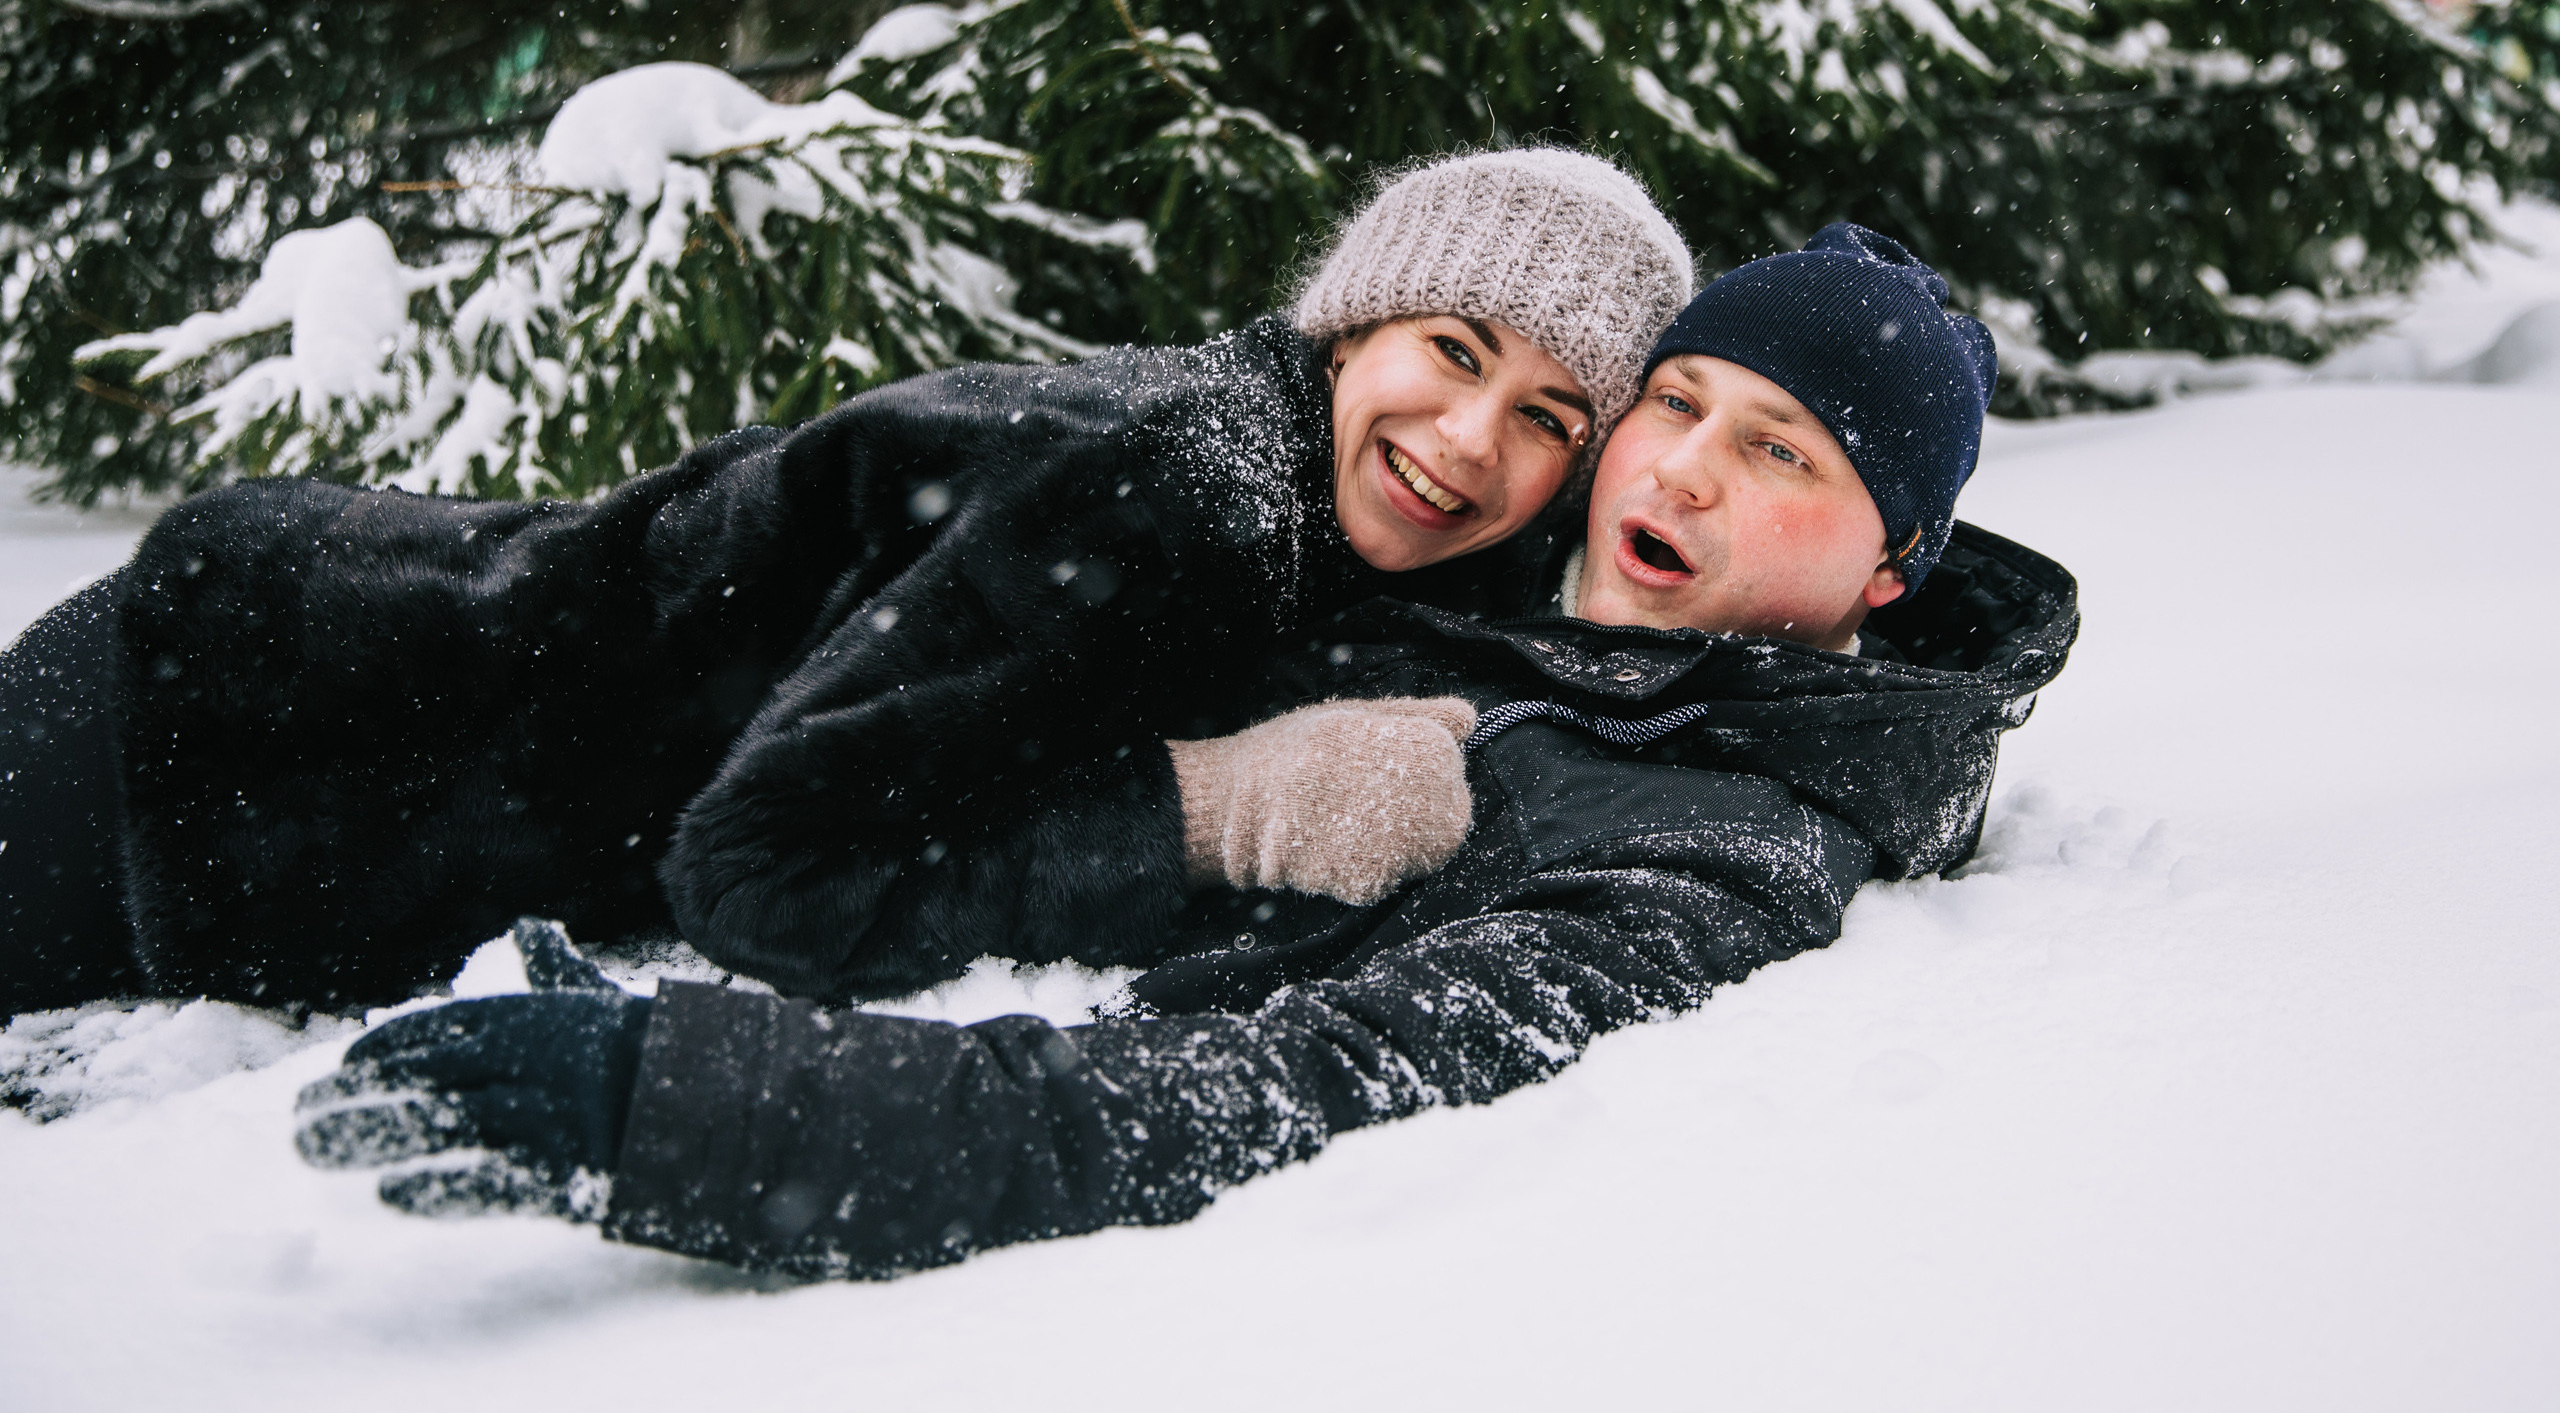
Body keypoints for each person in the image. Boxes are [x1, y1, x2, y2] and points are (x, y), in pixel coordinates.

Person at [295, 223, 2082, 1279]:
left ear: (1890, 565)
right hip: (415, 669)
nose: (1680, 467)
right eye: (1676, 404)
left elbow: (1296, 1094)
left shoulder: (1728, 840)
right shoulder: (1473, 559)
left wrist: (712, 1108)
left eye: (1782, 453)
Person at [0, 148, 1694, 1021]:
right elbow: (764, 877)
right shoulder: (1160, 490)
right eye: (1450, 352)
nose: (1471, 440)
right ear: (1351, 326)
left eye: (1550, 415)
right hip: (223, 735)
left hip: (292, 665)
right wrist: (1214, 810)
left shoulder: (1279, 486)